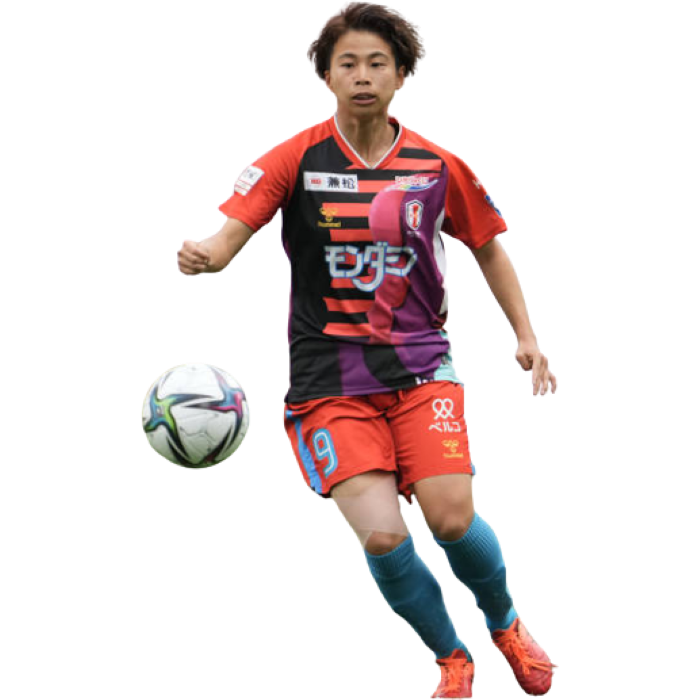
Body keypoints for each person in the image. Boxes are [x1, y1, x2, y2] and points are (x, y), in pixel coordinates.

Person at [177, 2, 558, 697]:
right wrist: (206, 255)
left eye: (377, 63)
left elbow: (488, 249)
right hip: (329, 382)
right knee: (382, 536)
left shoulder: (438, 165)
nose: (362, 75)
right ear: (325, 76)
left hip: (422, 369)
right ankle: (452, 657)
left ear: (402, 75)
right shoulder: (293, 158)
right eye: (347, 63)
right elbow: (229, 239)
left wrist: (526, 338)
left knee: (450, 517)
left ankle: (506, 624)